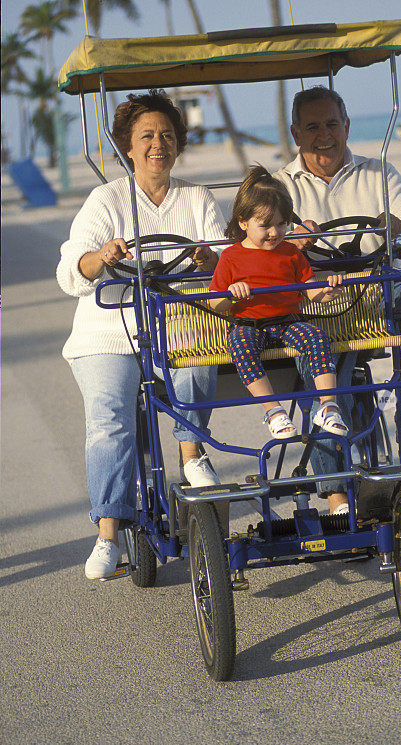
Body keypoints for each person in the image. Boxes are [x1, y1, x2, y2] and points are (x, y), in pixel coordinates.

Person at [57, 90, 226, 579]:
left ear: (179, 144)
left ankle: (192, 455)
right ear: (127, 147)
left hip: (176, 323)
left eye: (168, 135)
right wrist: (101, 258)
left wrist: (210, 260)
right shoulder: (105, 199)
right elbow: (72, 270)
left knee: (200, 357)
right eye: (147, 136)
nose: (159, 144)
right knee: (110, 418)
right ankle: (108, 532)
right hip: (109, 330)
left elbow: (223, 258)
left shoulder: (196, 198)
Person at [274, 86, 401, 514]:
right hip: (310, 302)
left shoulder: (379, 173)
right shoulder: (278, 185)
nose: (324, 135)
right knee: (322, 373)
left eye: (332, 124)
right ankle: (335, 493)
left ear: (346, 126)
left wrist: (398, 226)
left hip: (373, 293)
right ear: (297, 133)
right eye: (313, 126)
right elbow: (246, 243)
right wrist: (287, 241)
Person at [209, 166, 347, 438]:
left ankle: (329, 405)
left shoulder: (291, 254)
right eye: (265, 225)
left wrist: (328, 291)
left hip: (288, 322)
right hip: (249, 323)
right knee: (240, 345)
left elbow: (310, 292)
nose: (274, 232)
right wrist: (231, 293)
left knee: (317, 337)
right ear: (243, 222)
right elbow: (215, 303)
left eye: (281, 224)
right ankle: (273, 410)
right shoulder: (231, 257)